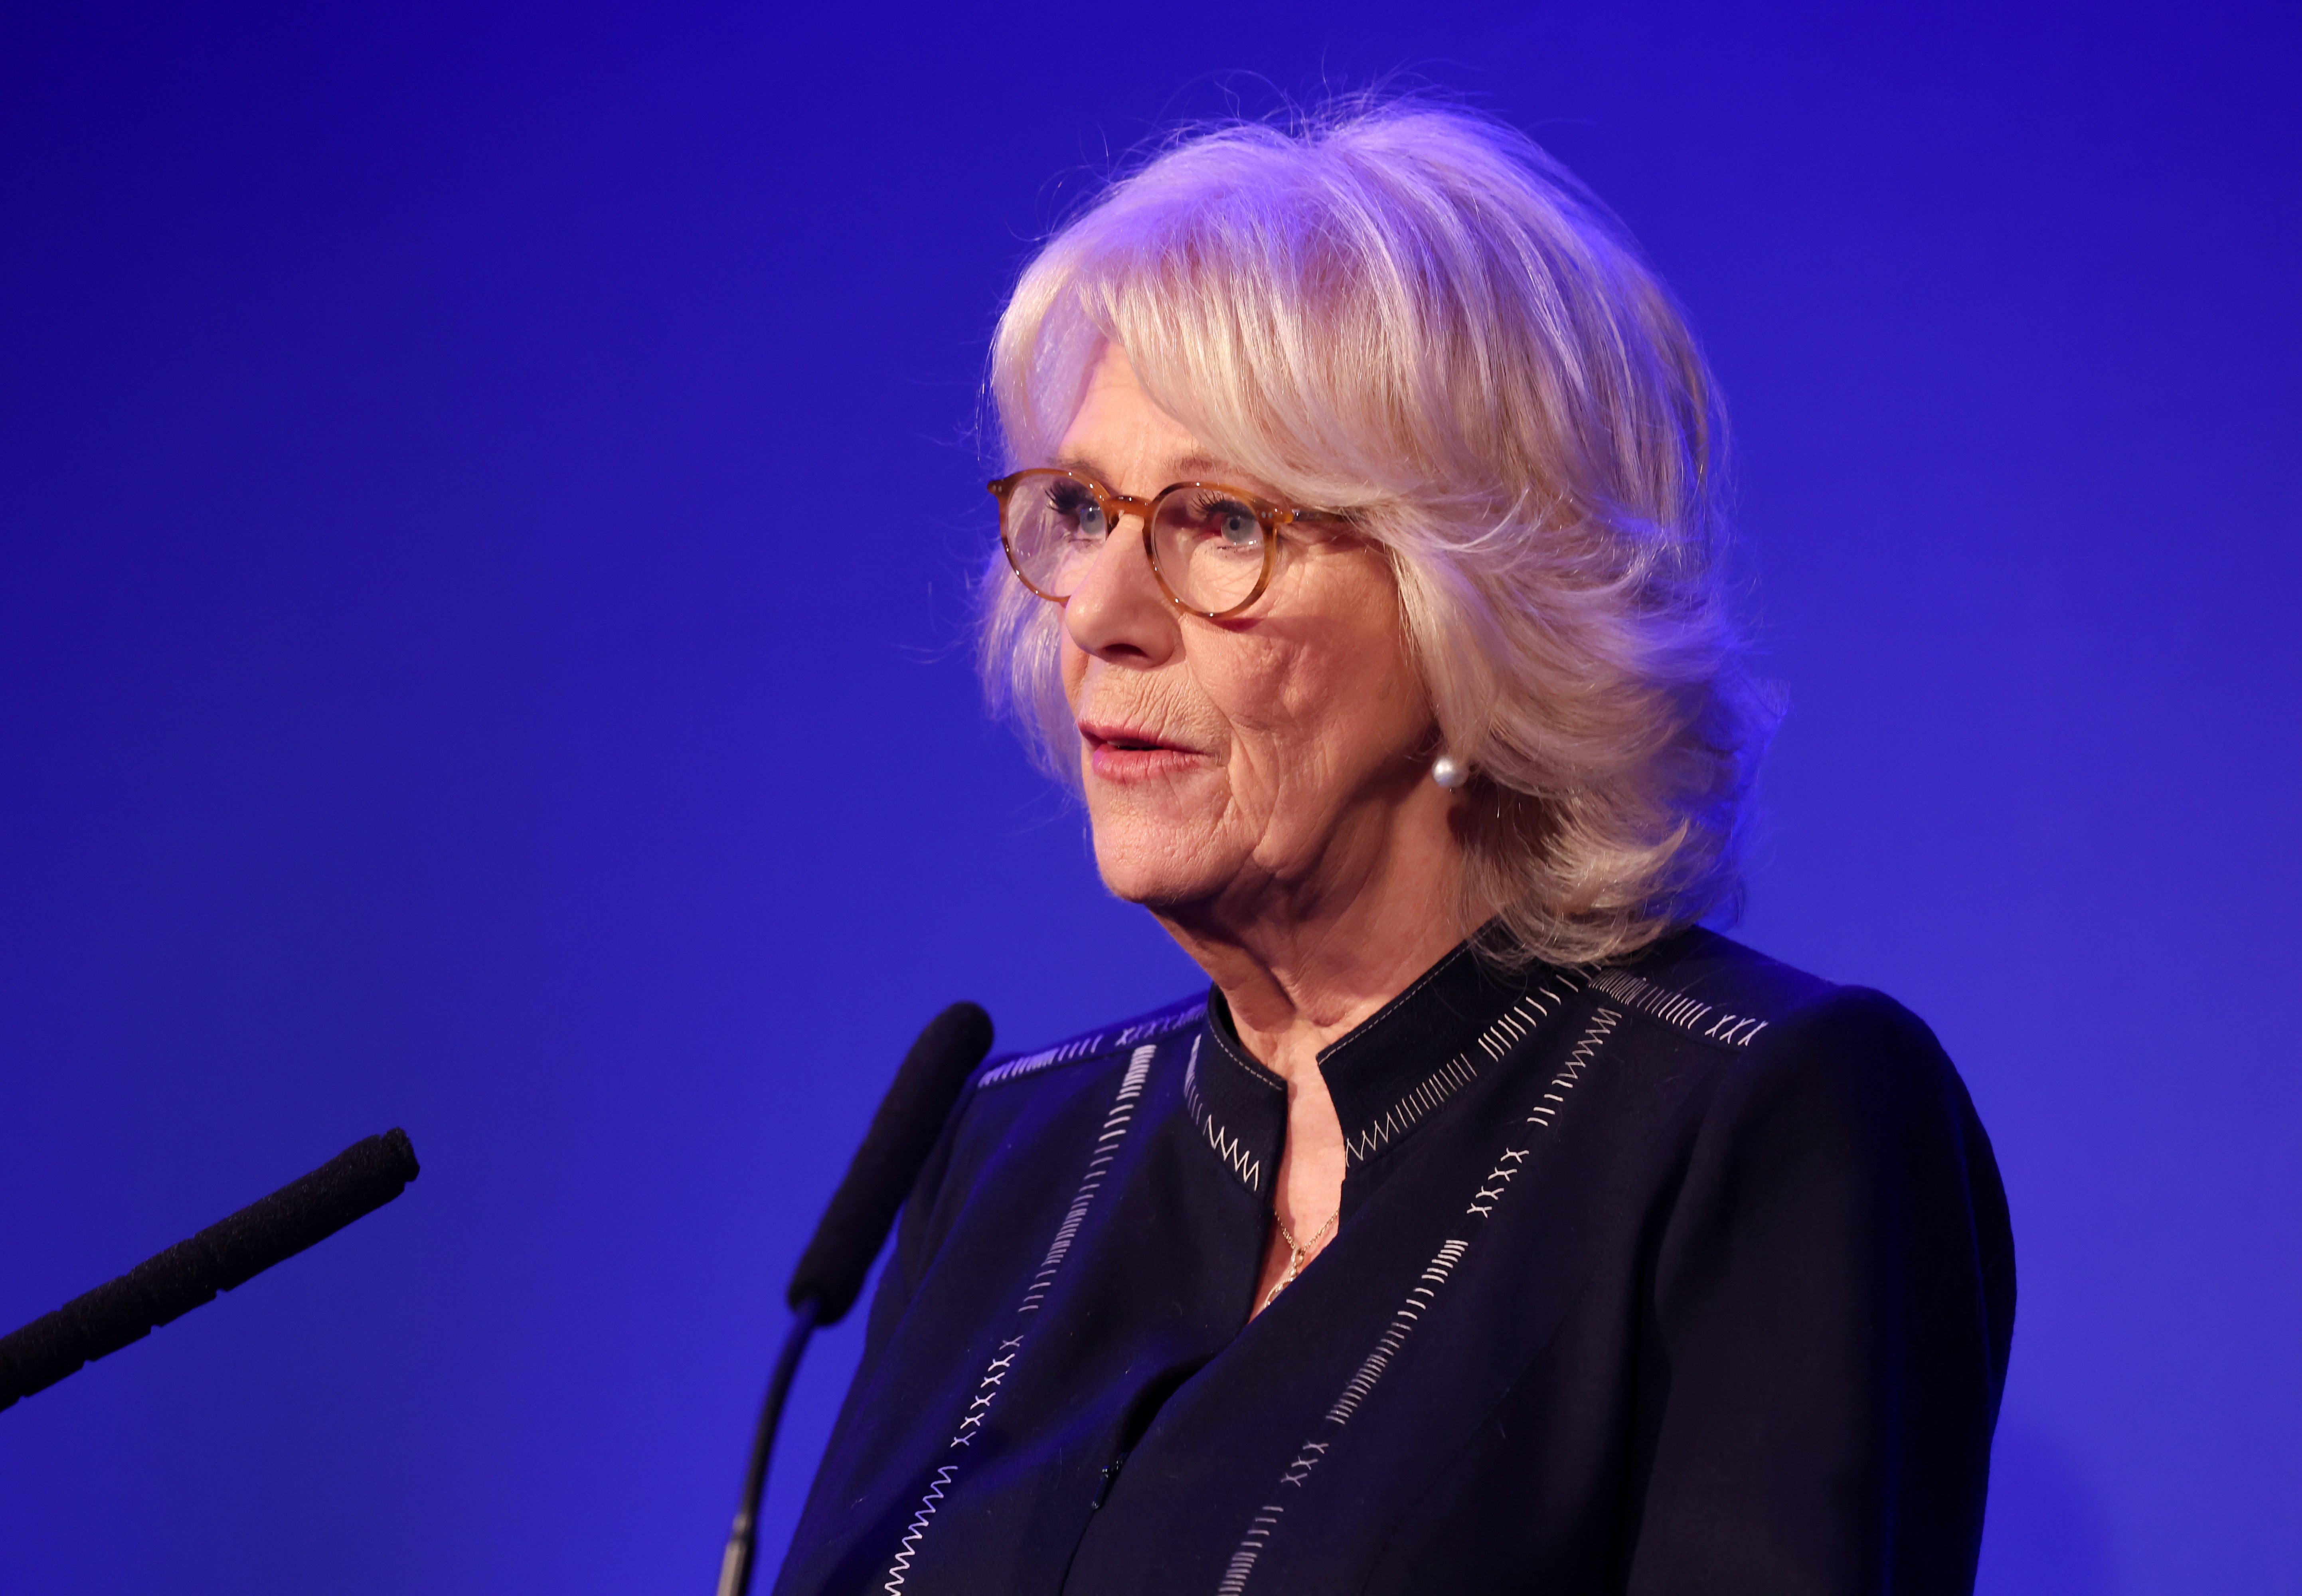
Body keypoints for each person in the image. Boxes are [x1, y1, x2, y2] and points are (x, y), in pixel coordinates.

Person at [774, 100, 2012, 1596]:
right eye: (1083, 510)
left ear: (1483, 600)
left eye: (1220, 518)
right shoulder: (1002, 1155)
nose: (1101, 611)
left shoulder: (1761, 1120)